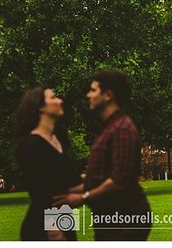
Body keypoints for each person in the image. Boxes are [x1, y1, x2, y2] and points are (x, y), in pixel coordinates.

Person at [55, 69, 151, 241]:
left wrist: (83, 197)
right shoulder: (111, 128)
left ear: (108, 95)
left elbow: (119, 180)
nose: (88, 95)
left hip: (125, 218)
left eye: (93, 90)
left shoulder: (121, 129)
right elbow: (102, 176)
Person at [15, 86, 79, 241]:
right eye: (53, 97)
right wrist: (54, 229)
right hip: (44, 226)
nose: (60, 101)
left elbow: (66, 182)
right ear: (41, 107)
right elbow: (41, 193)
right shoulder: (31, 144)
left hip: (65, 217)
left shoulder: (58, 140)